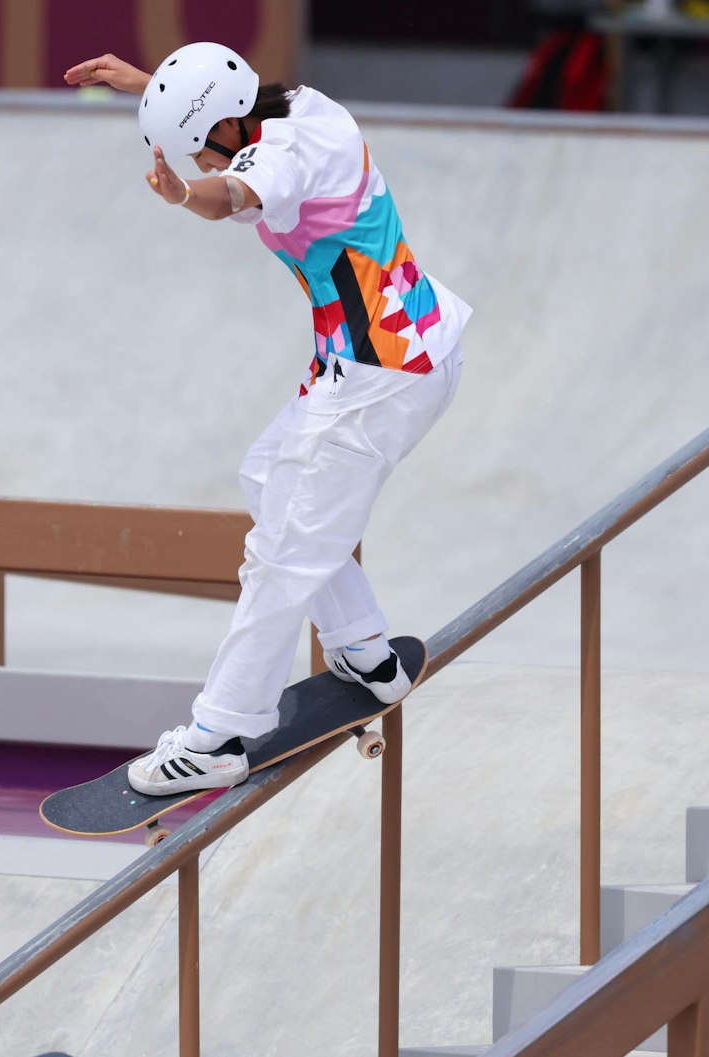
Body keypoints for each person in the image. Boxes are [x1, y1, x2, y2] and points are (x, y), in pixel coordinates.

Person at [65, 43, 472, 796]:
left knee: (283, 554)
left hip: (380, 375)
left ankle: (219, 732)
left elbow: (234, 194)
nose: (200, 153)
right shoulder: (304, 108)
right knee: (268, 475)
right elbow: (216, 109)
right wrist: (149, 85)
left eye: (199, 140)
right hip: (405, 344)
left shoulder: (277, 156)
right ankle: (365, 653)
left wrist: (185, 193)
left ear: (224, 127)